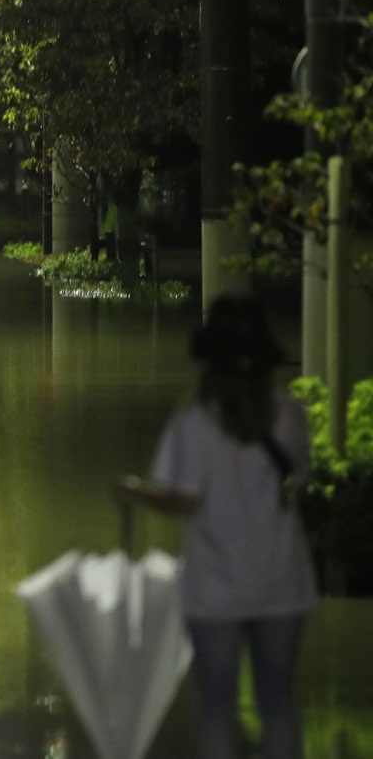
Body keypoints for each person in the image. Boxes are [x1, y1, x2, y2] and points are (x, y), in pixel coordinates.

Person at [115, 295, 318, 759]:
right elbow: (300, 480)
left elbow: (185, 500)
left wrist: (133, 492)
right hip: (282, 580)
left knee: (215, 707)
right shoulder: (290, 416)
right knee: (279, 704)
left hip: (215, 587)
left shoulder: (193, 423)